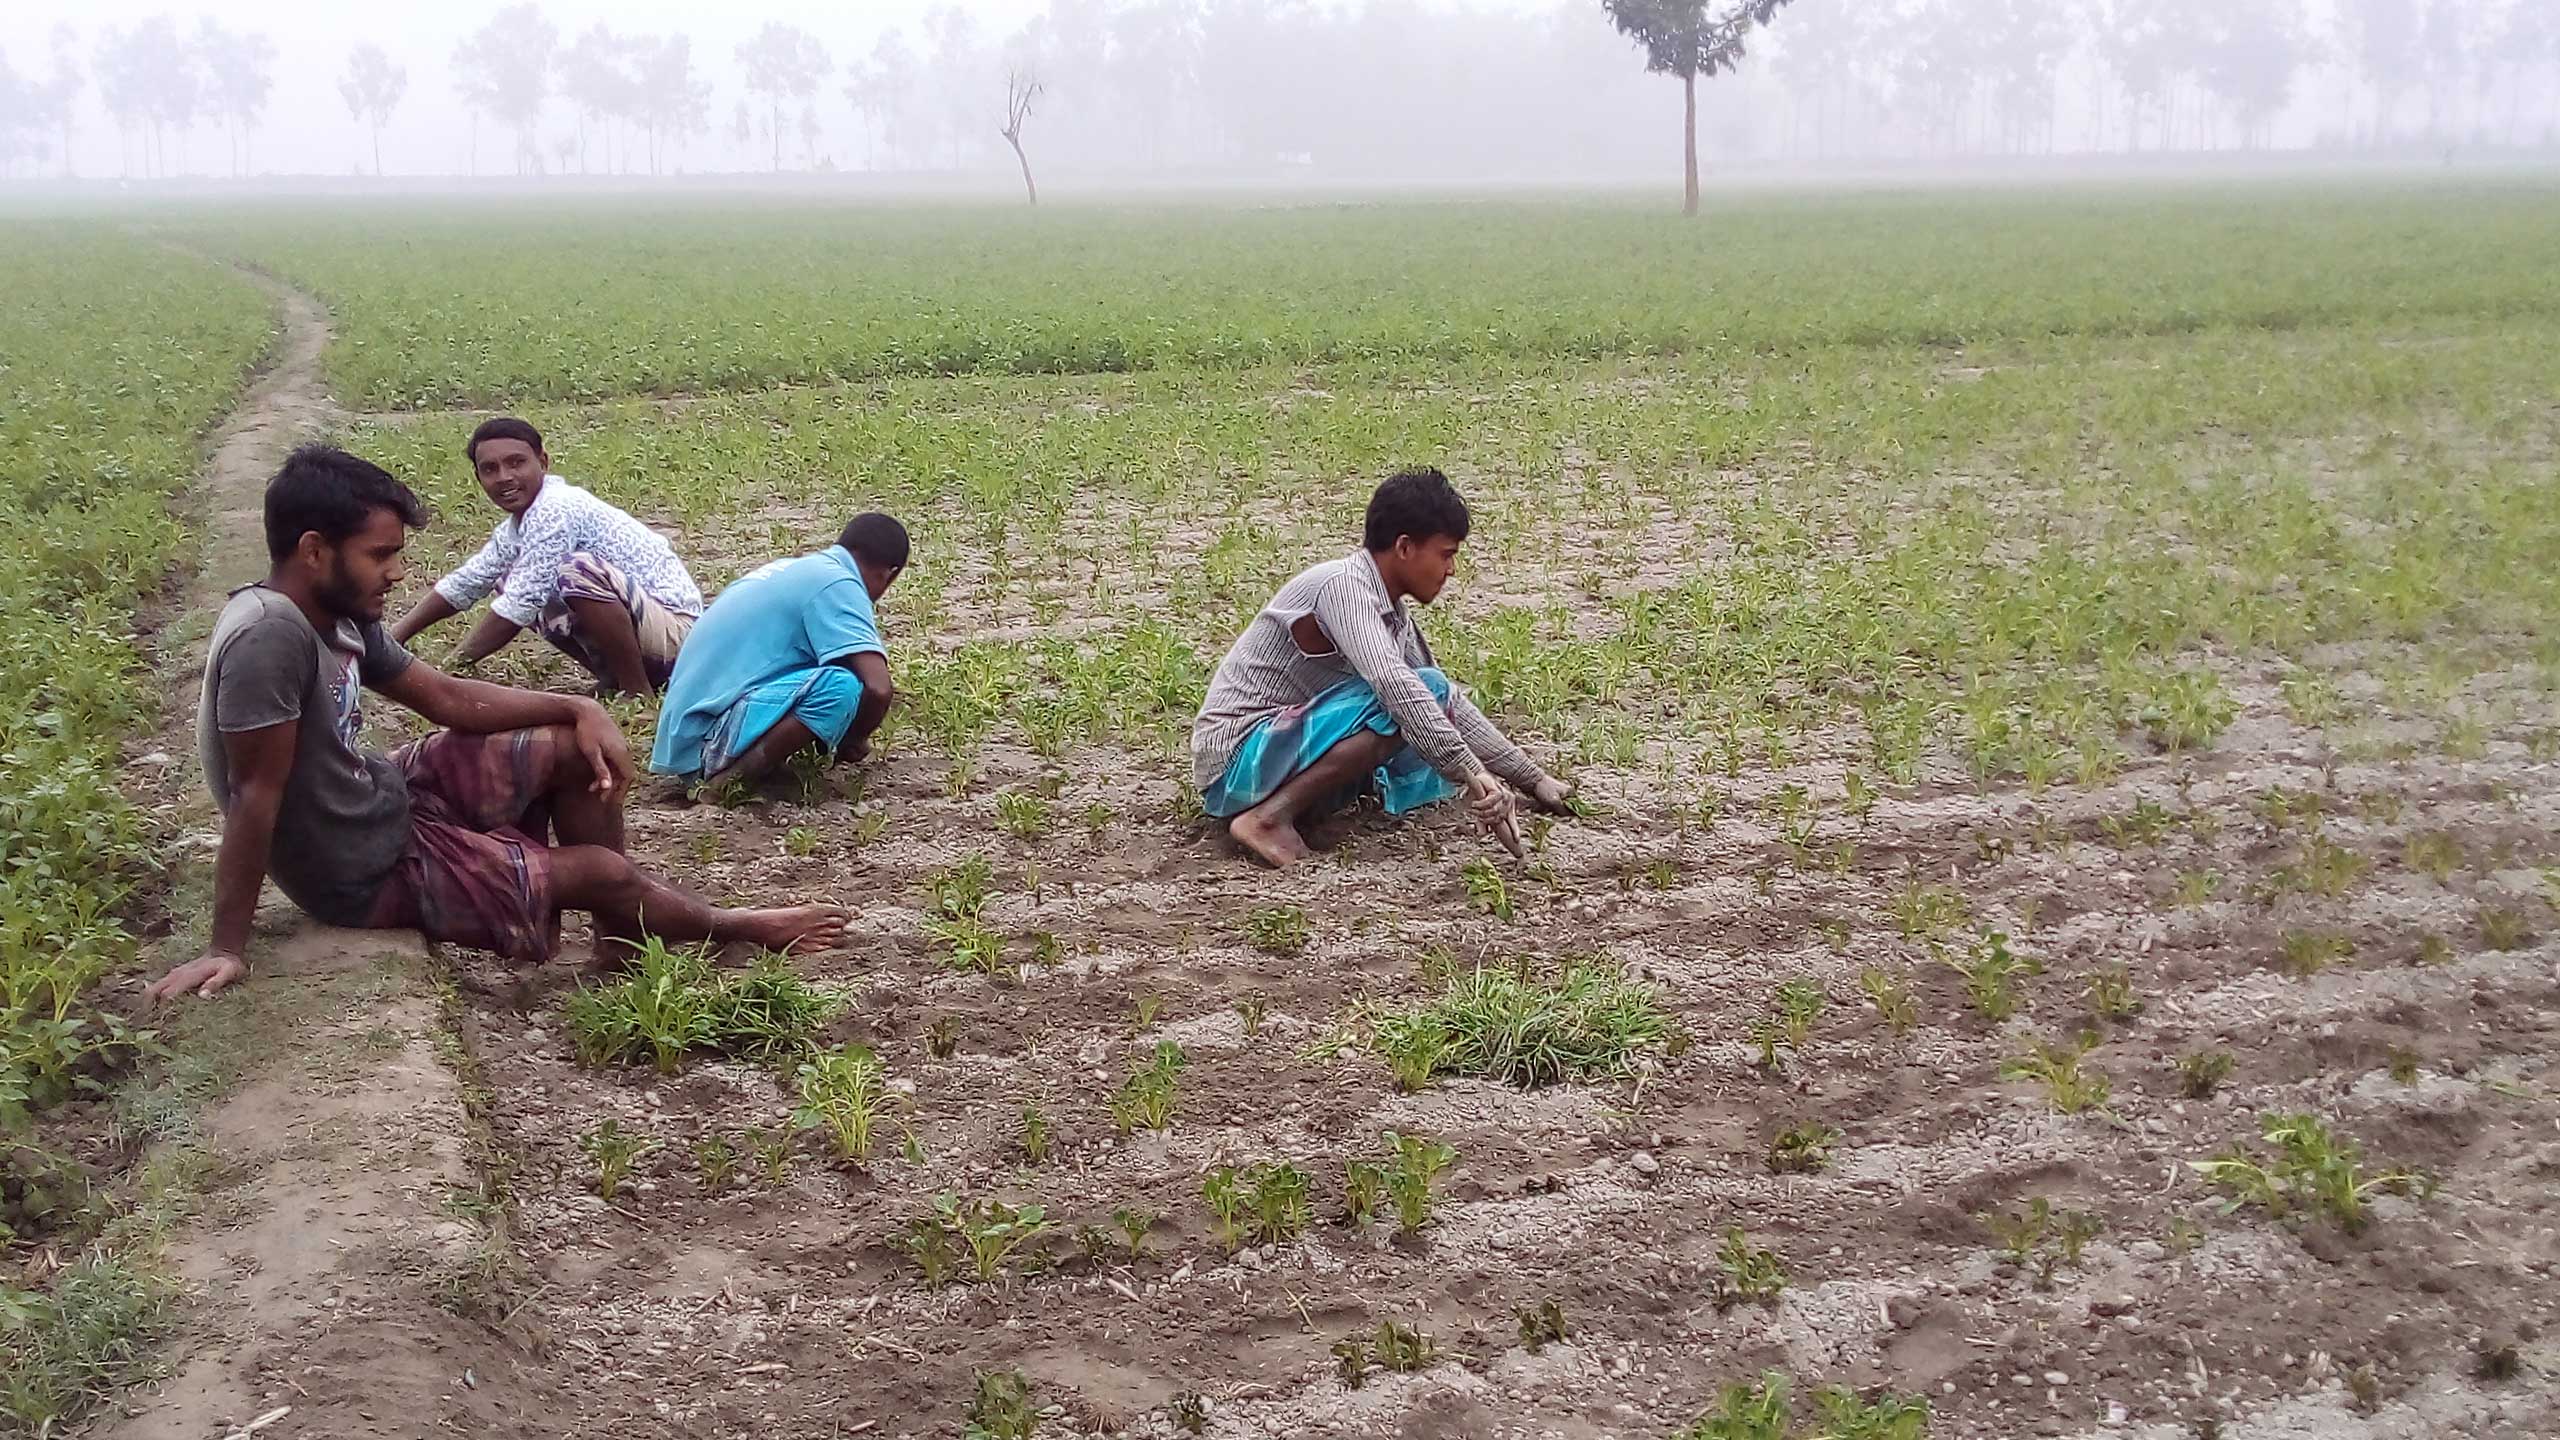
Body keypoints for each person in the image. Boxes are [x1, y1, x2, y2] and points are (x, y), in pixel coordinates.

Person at [146, 446, 847, 1003]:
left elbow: (446, 699)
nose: (395, 574)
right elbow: (254, 794)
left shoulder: (340, 615)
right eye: (381, 556)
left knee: (577, 751)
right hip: (358, 866)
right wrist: (226, 946)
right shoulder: (270, 636)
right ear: (313, 550)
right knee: (600, 871)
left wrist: (581, 706)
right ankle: (736, 927)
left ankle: (619, 942)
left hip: (381, 798)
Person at [1192, 467, 1572, 869]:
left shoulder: (1391, 614)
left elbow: (1448, 704)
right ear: (1405, 547)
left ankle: (1293, 807)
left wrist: (1532, 779)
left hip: (1275, 759)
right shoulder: (1341, 587)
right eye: (1446, 554)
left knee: (1431, 703)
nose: (1451, 570)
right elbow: (1395, 683)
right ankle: (1267, 820)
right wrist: (1472, 772)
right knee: (1411, 696)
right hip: (1236, 763)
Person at [389, 416, 702, 696]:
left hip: (680, 639)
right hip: (649, 634)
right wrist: (392, 638)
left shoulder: (556, 507)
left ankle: (637, 690)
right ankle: (615, 679)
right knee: (510, 573)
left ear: (543, 462)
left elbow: (521, 603)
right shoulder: (517, 526)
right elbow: (468, 582)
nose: (504, 477)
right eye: (490, 469)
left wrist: (452, 667)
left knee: (574, 571)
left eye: (516, 463)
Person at [649, 514, 907, 790]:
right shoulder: (839, 583)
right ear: (888, 574)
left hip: (685, 735)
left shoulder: (796, 569)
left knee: (832, 675)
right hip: (707, 739)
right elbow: (878, 688)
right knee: (840, 687)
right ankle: (728, 784)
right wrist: (851, 742)